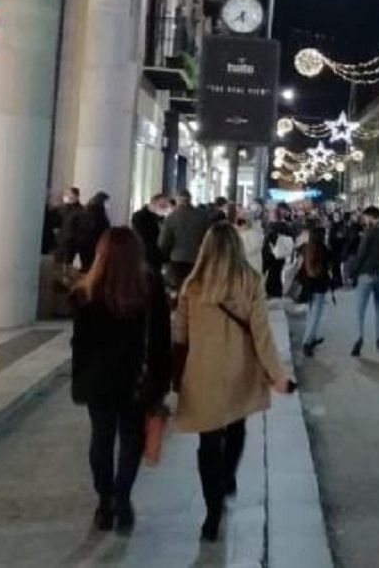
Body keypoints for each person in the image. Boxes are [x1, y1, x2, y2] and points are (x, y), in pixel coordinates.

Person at [172, 223, 291, 543]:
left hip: (202, 373)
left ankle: (212, 514)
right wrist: (276, 374)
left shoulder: (192, 285)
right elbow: (261, 333)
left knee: (208, 443)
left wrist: (174, 374)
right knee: (237, 425)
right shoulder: (249, 281)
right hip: (240, 370)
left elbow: (179, 335)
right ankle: (227, 478)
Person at [71, 227, 172, 532]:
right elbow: (160, 339)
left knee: (101, 439)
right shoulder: (150, 285)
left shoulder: (87, 291)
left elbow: (81, 344)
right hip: (136, 379)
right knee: (132, 440)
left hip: (99, 378)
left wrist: (79, 381)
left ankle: (104, 502)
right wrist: (162, 379)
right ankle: (122, 497)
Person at [351, 207, 379, 357]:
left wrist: (353, 271)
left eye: (365, 218)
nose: (364, 221)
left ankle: (359, 336)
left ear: (371, 216)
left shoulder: (369, 233)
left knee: (360, 308)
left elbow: (361, 253)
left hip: (367, 274)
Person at [160, 190, 212, 292]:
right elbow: (209, 236)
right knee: (195, 288)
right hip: (197, 257)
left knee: (178, 288)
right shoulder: (203, 216)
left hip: (177, 259)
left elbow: (164, 241)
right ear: (190, 199)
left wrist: (163, 256)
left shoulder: (171, 217)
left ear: (177, 200)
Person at [297, 228, 334, 357]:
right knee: (316, 315)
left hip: (308, 284)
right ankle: (307, 342)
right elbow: (330, 264)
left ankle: (312, 337)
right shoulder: (323, 249)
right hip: (319, 285)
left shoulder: (306, 247)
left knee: (311, 312)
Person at [131, 194, 168, 275]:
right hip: (146, 255)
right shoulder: (139, 216)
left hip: (157, 257)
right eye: (162, 205)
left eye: (165, 206)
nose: (164, 208)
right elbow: (143, 237)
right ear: (153, 204)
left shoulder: (160, 218)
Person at [77, 192, 112, 273]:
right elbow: (99, 228)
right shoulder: (97, 212)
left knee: (86, 267)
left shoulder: (88, 210)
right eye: (107, 202)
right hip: (93, 244)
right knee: (91, 268)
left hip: (85, 243)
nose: (108, 204)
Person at [57, 187, 84, 270]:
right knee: (57, 265)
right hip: (61, 241)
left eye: (69, 194)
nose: (67, 196)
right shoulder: (65, 208)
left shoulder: (80, 210)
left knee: (67, 265)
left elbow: (80, 228)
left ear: (76, 196)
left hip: (70, 243)